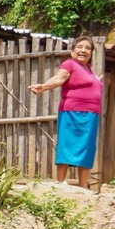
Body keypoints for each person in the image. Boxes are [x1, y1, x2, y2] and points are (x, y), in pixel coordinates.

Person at [30, 36, 104, 190]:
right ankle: (60, 182)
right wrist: (44, 86)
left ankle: (84, 187)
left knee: (87, 148)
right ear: (72, 52)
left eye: (88, 48)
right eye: (80, 47)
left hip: (91, 115)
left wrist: (96, 80)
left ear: (91, 53)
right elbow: (59, 79)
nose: (84, 50)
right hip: (73, 112)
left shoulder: (89, 70)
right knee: (67, 144)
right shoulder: (69, 64)